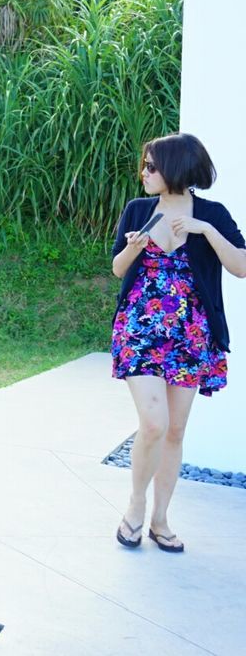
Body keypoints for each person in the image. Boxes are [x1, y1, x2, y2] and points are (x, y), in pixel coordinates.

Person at [110, 133, 246, 552]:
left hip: (191, 335)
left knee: (175, 430)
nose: (144, 173)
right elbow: (117, 269)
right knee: (154, 423)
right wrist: (134, 249)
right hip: (141, 330)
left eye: (152, 166)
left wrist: (205, 230)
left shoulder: (211, 213)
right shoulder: (139, 209)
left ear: (176, 168)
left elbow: (240, 266)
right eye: (144, 165)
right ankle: (135, 507)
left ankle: (160, 520)